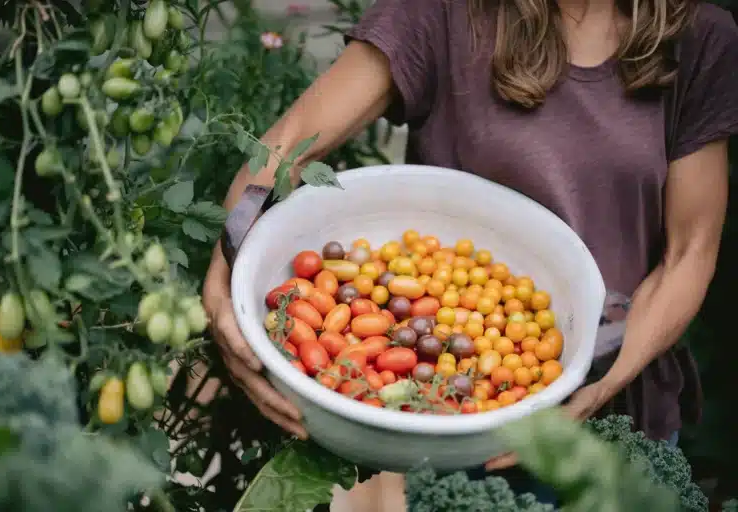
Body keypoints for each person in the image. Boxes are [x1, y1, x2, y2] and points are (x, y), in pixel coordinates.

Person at [203, 0, 737, 505]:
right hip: (456, 416)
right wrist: (225, 279)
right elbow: (291, 143)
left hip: (621, 413)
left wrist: (599, 385)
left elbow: (690, 251)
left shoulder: (698, 38)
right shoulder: (444, 12)